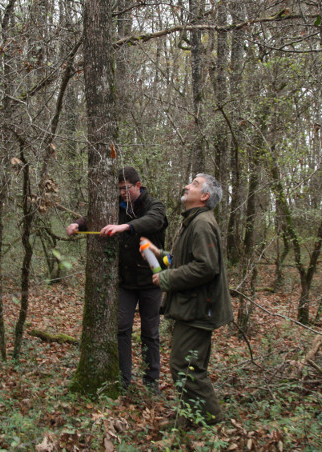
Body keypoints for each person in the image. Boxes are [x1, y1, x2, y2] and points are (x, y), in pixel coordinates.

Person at [66, 166, 168, 391]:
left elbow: (153, 220)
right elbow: (94, 216)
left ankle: (151, 382)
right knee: (122, 329)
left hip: (152, 281)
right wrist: (78, 224)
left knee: (150, 333)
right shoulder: (116, 206)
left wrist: (126, 226)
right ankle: (123, 380)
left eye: (126, 188)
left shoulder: (154, 205)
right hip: (126, 283)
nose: (122, 193)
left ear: (138, 186)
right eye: (119, 189)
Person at [144, 173, 233, 425]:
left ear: (204, 196)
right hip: (193, 307)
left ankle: (212, 419)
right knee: (187, 365)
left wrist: (166, 279)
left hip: (199, 308)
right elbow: (185, 260)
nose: (187, 185)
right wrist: (158, 253)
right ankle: (189, 416)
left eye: (194, 184)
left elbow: (206, 267)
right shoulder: (193, 221)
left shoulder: (202, 223)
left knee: (186, 366)